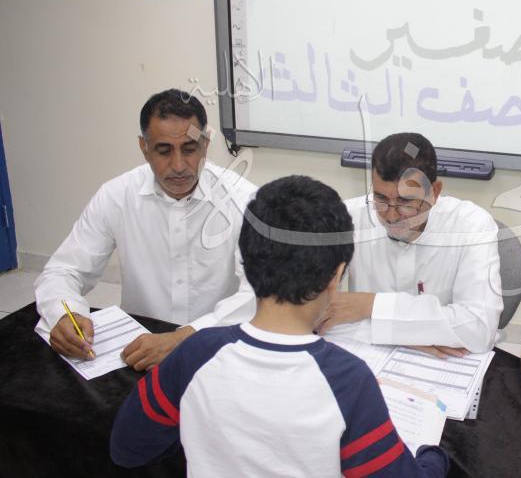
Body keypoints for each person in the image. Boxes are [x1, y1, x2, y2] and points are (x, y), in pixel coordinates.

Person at [110, 175, 449, 477]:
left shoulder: (195, 354)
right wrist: (434, 456)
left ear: (246, 260)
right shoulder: (348, 381)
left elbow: (128, 449)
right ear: (336, 275)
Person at [34, 89, 257, 370]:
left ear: (205, 144)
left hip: (217, 350)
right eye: (164, 151)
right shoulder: (117, 196)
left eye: (190, 149)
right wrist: (64, 314)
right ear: (144, 148)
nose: (179, 165)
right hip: (138, 352)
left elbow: (259, 294)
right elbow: (64, 270)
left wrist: (184, 338)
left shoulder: (244, 201)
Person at [317, 132, 503, 357]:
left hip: (446, 364)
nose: (391, 216)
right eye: (381, 199)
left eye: (405, 202)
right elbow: (306, 313)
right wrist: (409, 335)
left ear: (434, 192)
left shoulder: (472, 225)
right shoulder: (347, 217)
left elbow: (479, 330)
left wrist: (371, 305)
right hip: (367, 358)